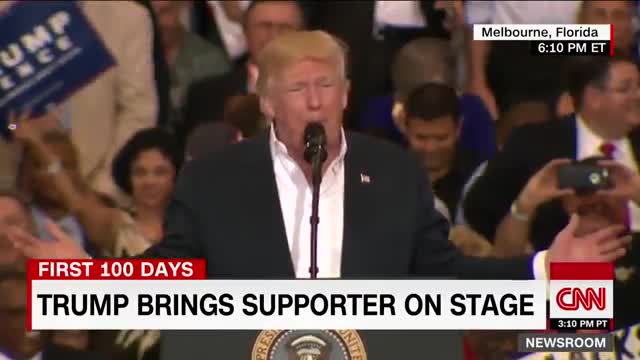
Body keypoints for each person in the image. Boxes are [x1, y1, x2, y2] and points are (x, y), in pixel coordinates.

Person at [5, 31, 630, 280]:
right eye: (299, 88)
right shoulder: (213, 179)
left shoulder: (392, 171)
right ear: (268, 100)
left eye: (326, 85)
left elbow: (440, 274)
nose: (315, 100)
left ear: (348, 95)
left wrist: (546, 267)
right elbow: (174, 272)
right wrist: (80, 273)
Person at [464, 53, 640, 251]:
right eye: (626, 89)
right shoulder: (534, 143)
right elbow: (478, 208)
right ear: (594, 98)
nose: (638, 95)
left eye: (638, 87)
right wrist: (527, 254)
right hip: (559, 269)